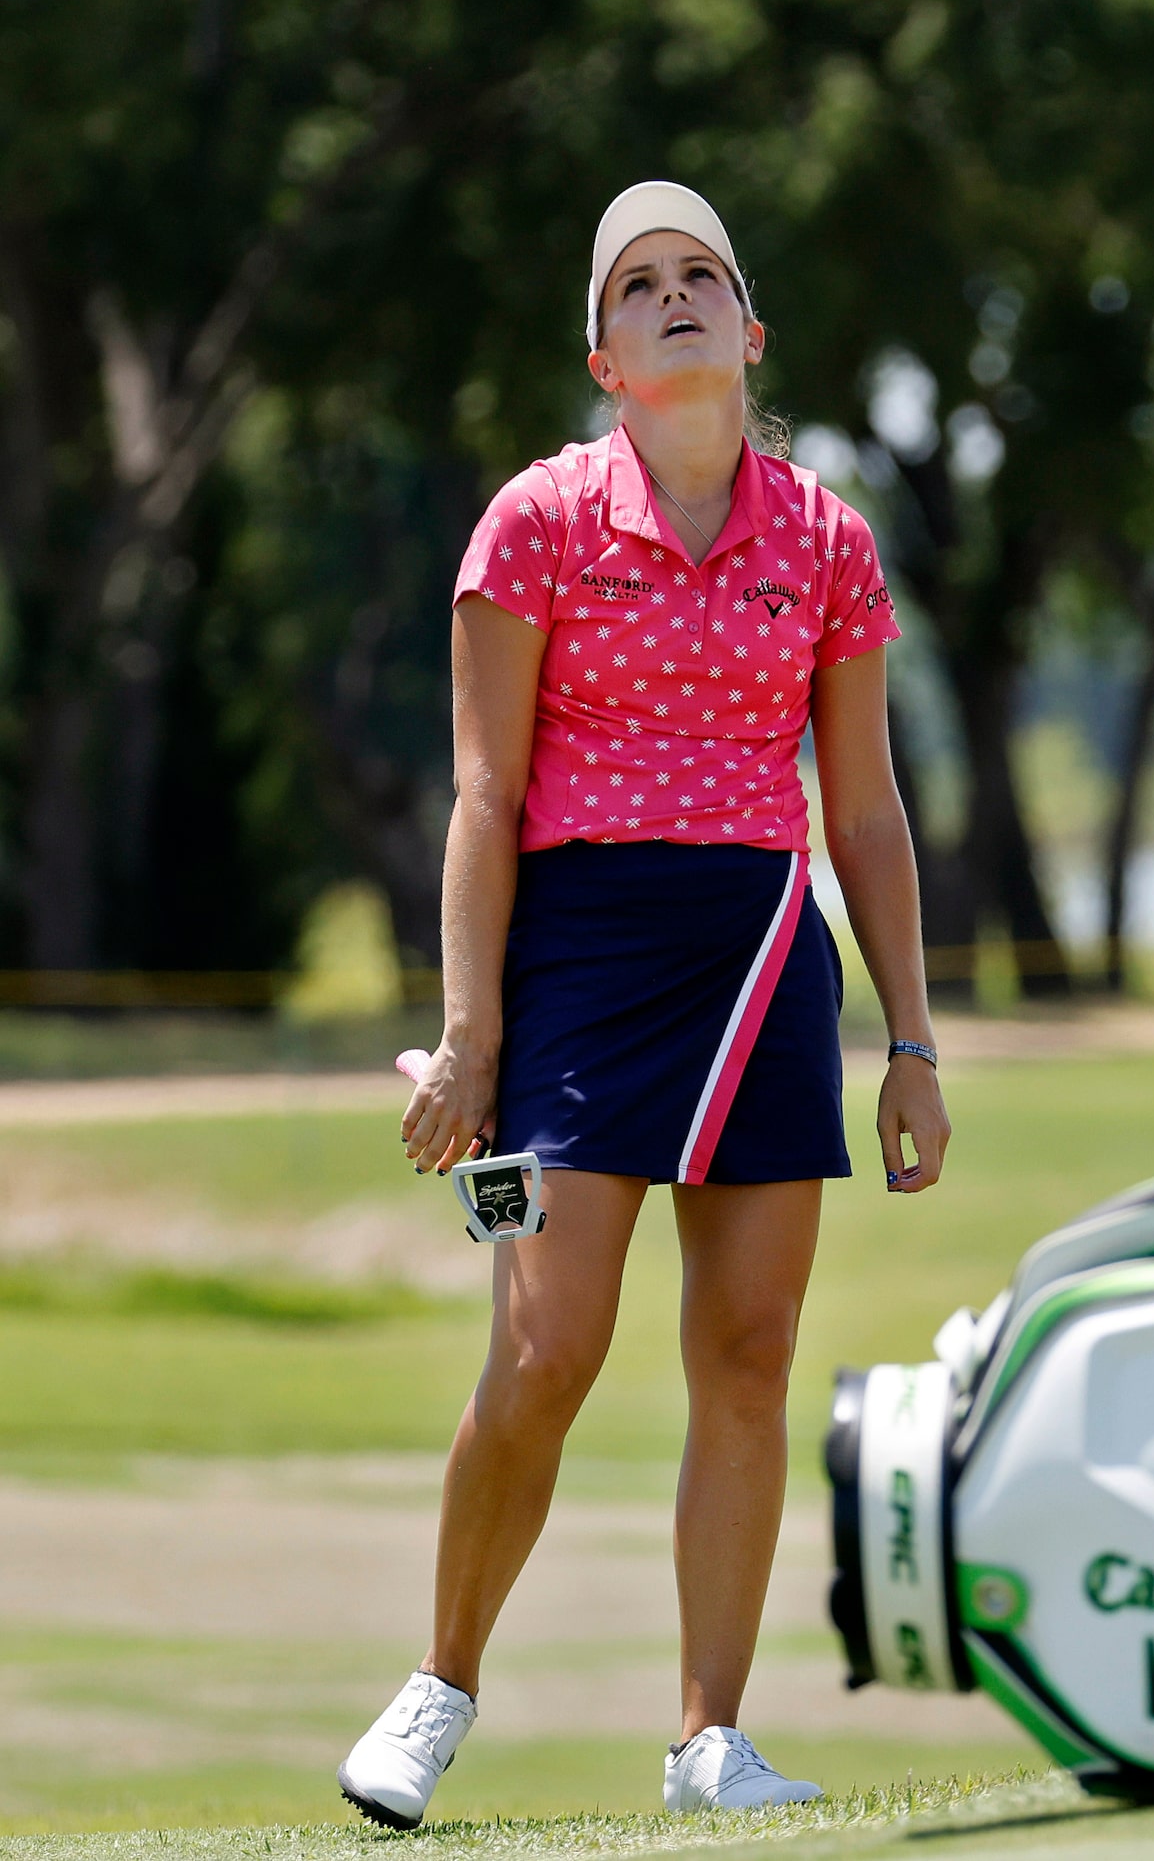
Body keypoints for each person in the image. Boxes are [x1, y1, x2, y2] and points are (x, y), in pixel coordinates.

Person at [336, 182, 951, 1827]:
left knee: (747, 1351)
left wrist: (913, 1040)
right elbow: (484, 794)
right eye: (637, 286)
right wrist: (471, 1036)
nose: (672, 299)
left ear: (750, 331)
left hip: (761, 948)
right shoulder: (532, 525)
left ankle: (708, 1740)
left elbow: (868, 808)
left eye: (702, 278)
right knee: (548, 1346)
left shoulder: (826, 538)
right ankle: (439, 1683)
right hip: (582, 958)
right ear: (604, 356)